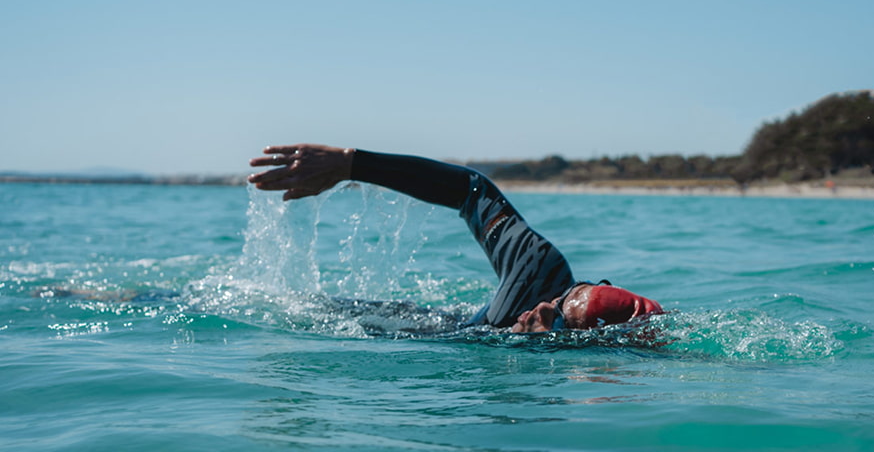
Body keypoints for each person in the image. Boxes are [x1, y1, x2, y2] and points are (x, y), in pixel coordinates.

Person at [248, 144, 663, 333]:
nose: (541, 308)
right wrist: (351, 165)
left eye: (558, 318)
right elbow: (470, 189)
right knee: (289, 308)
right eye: (563, 297)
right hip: (407, 323)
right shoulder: (539, 272)